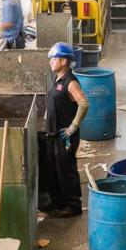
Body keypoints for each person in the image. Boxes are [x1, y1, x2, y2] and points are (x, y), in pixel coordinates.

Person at [43, 43, 89, 218]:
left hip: (65, 135)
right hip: (54, 133)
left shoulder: (70, 82)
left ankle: (74, 205)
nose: (50, 62)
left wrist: (73, 126)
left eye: (53, 59)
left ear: (63, 61)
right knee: (57, 169)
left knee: (67, 170)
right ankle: (60, 203)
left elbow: (84, 103)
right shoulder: (58, 79)